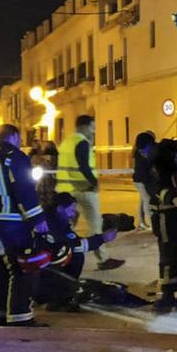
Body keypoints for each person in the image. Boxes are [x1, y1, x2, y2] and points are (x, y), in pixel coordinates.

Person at [0, 124, 48, 327]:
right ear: (15, 137)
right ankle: (20, 316)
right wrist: (37, 219)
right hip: (9, 222)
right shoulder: (16, 157)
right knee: (21, 267)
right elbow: (24, 190)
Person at [33, 191, 117, 311]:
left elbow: (73, 241)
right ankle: (56, 298)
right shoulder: (52, 224)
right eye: (71, 210)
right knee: (75, 256)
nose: (73, 214)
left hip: (43, 267)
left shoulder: (57, 220)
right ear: (60, 208)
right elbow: (74, 245)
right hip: (43, 269)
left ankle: (59, 294)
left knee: (73, 255)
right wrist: (102, 238)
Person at [55, 115, 119, 270]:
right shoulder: (82, 143)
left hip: (67, 191)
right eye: (92, 127)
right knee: (95, 224)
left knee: (64, 226)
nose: (94, 131)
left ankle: (57, 253)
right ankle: (103, 259)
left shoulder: (66, 143)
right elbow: (83, 166)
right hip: (84, 190)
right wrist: (94, 182)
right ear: (83, 127)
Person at [151, 139, 177, 311]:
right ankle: (176, 294)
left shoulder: (170, 170)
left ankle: (175, 294)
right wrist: (174, 199)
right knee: (175, 255)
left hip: (173, 217)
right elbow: (161, 190)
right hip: (171, 218)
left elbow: (164, 189)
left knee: (175, 255)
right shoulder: (168, 170)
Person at [131, 131, 156, 231]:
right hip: (142, 180)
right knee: (147, 201)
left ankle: (141, 221)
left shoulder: (137, 150)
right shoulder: (143, 151)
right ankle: (152, 224)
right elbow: (146, 166)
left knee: (142, 200)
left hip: (138, 179)